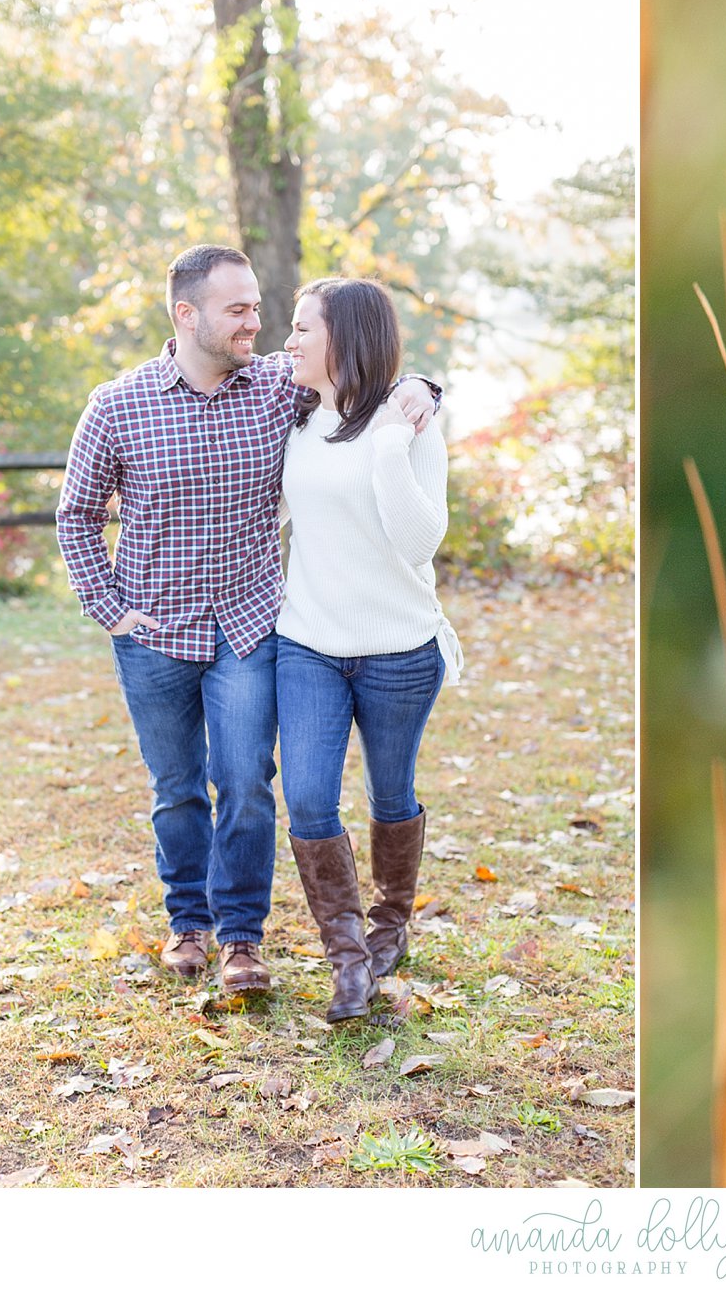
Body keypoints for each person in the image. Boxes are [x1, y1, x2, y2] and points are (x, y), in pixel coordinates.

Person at [55, 245, 438, 995]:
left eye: (259, 308)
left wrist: (427, 386)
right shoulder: (117, 404)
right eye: (239, 310)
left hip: (247, 626)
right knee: (176, 789)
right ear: (186, 314)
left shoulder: (273, 386)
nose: (256, 325)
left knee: (246, 781)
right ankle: (188, 923)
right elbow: (75, 517)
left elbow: (360, 382)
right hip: (155, 634)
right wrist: (110, 609)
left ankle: (240, 938)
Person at [276, 277, 462, 1024]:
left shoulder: (410, 425)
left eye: (300, 329)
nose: (286, 342)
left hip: (399, 650)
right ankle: (347, 958)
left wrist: (391, 439)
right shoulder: (288, 412)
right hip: (308, 644)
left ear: (344, 338)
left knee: (392, 793)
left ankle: (390, 922)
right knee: (310, 797)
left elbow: (419, 543)